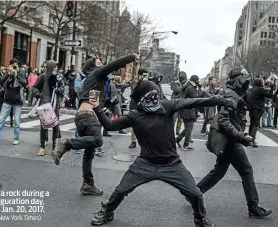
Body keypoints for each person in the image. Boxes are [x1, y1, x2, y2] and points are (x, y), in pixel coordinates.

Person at [88, 80, 237, 227]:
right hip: (145, 163)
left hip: (171, 164)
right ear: (145, 96)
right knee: (120, 190)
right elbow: (110, 125)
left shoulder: (166, 106)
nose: (156, 97)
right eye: (153, 93)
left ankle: (200, 218)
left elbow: (194, 102)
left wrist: (222, 100)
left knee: (195, 194)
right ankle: (107, 211)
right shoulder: (135, 115)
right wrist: (97, 108)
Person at [53, 54, 138, 196]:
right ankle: (66, 144)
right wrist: (130, 57)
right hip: (88, 116)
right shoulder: (96, 73)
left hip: (83, 116)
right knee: (98, 141)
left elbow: (99, 99)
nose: (102, 64)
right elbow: (113, 65)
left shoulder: (95, 80)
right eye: (99, 62)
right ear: (93, 67)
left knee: (89, 152)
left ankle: (87, 184)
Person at [195, 68, 272, 219]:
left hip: (230, 139)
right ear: (238, 80)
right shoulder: (232, 94)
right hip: (230, 141)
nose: (246, 84)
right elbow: (223, 120)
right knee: (246, 171)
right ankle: (253, 207)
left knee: (218, 171)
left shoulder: (233, 93)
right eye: (244, 81)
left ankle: (193, 193)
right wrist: (240, 136)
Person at [0, 65, 27, 145]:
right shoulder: (7, 75)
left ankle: (16, 138)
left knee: (17, 121)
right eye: (11, 67)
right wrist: (8, 74)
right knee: (1, 119)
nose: (13, 69)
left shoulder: (20, 74)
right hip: (7, 100)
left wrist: (16, 75)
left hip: (17, 101)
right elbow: (1, 82)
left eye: (14, 67)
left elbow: (24, 83)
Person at [34, 60, 65, 156]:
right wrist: (39, 94)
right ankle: (42, 147)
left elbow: (62, 88)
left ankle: (54, 148)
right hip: (44, 105)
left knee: (56, 127)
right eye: (54, 66)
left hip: (54, 105)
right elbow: (35, 88)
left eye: (57, 66)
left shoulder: (59, 78)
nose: (56, 68)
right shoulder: (42, 77)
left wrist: (59, 90)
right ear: (50, 67)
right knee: (44, 127)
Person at [176, 75, 201, 150]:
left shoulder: (189, 86)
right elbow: (196, 99)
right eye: (197, 80)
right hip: (187, 111)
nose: (198, 81)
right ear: (194, 81)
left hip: (187, 111)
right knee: (189, 128)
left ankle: (177, 140)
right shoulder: (190, 88)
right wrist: (203, 92)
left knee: (188, 128)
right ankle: (185, 145)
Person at [246, 78, 272, 148]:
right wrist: (271, 87)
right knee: (255, 124)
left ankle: (248, 139)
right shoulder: (260, 89)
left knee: (252, 124)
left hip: (251, 108)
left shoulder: (250, 89)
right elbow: (269, 95)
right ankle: (252, 140)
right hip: (258, 109)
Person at [128, 68, 149, 149]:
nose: (146, 77)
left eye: (147, 75)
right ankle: (133, 141)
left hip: (145, 106)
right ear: (140, 75)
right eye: (144, 76)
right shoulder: (135, 82)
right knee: (134, 124)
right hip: (135, 106)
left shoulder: (148, 83)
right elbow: (134, 92)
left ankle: (145, 142)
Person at [171, 71, 187, 135]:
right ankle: (171, 130)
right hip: (175, 104)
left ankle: (178, 130)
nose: (184, 81)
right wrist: (184, 87)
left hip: (181, 104)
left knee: (180, 118)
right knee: (174, 118)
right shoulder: (176, 83)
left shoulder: (184, 84)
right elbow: (177, 90)